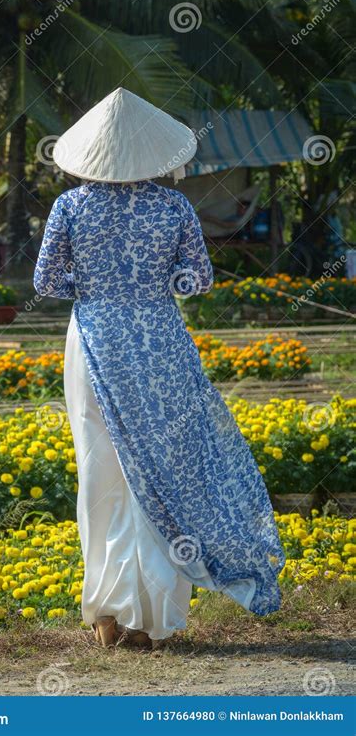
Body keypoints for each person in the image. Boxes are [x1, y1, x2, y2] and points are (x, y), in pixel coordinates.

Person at [33, 88, 285, 649]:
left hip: (95, 339)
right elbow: (198, 280)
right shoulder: (173, 207)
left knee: (102, 475)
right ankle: (153, 621)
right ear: (153, 153)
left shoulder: (69, 207)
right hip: (161, 344)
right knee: (163, 471)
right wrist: (150, 291)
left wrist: (100, 293)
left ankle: (106, 612)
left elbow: (46, 283)